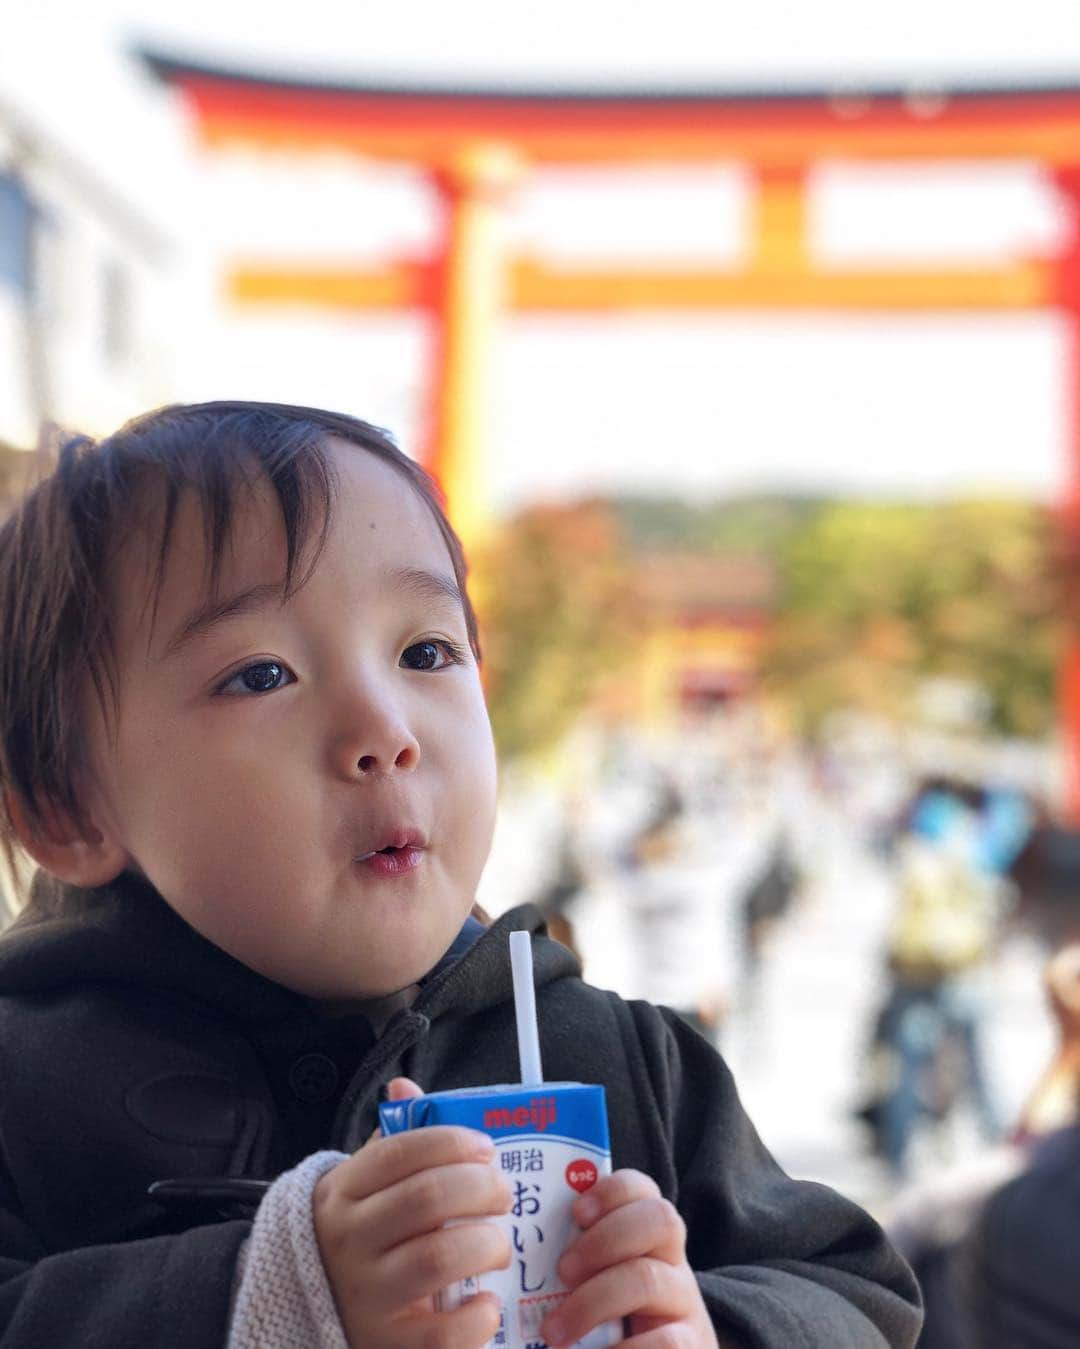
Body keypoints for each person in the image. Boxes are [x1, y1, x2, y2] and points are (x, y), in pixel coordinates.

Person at [0, 402, 921, 1348]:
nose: (384, 731)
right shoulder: (26, 1081)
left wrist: (712, 1327)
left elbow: (862, 1293)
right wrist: (273, 1292)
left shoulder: (621, 1056)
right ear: (70, 809)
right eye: (262, 674)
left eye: (426, 652)